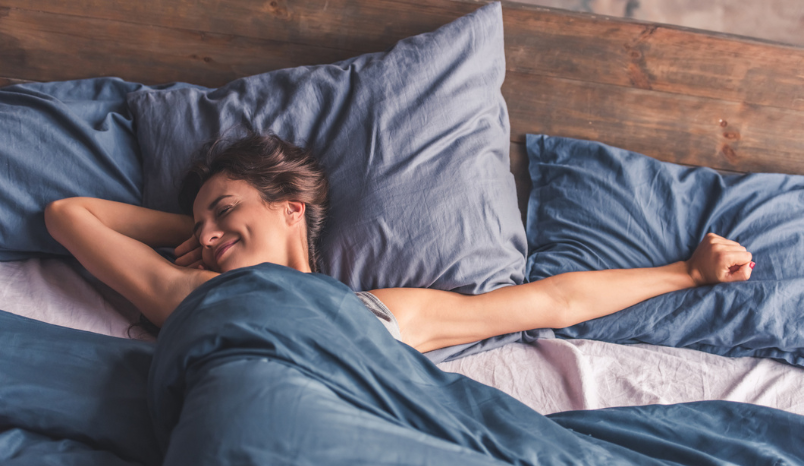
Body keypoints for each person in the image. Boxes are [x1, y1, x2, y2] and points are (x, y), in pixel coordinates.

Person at [44, 132, 755, 353]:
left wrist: (686, 275)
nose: (205, 230)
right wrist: (203, 234)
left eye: (225, 207)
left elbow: (552, 303)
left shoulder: (382, 312)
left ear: (292, 210)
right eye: (197, 221)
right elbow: (68, 215)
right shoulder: (190, 293)